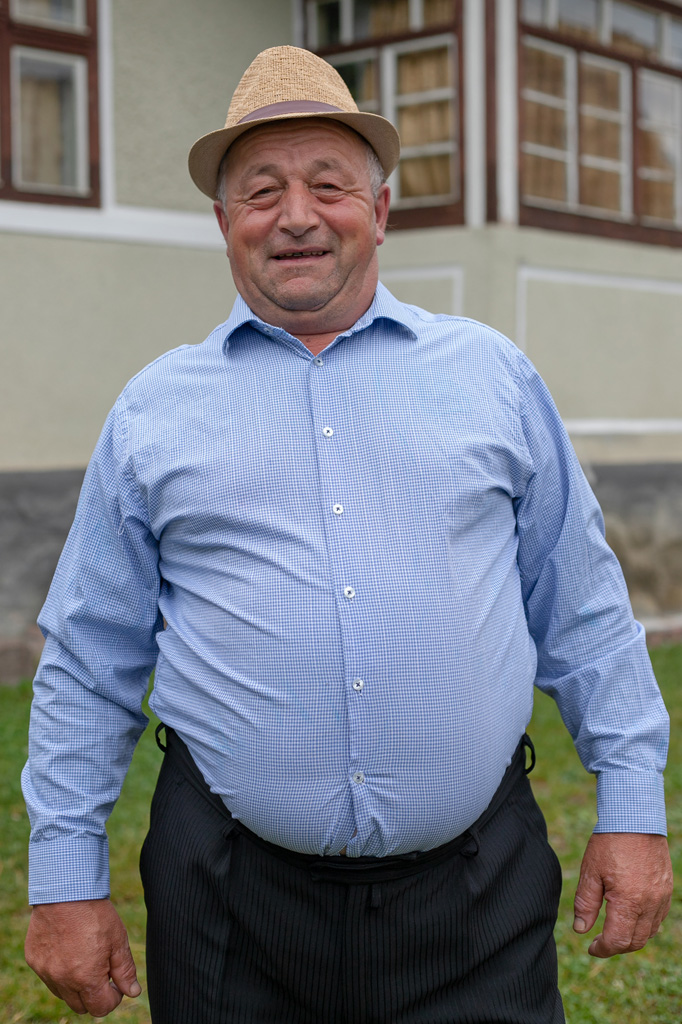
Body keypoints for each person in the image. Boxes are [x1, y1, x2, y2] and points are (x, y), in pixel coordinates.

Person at [23, 45, 672, 1024]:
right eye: (261, 192)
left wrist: (630, 805)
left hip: (477, 898)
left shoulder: (491, 377)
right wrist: (65, 875)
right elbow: (88, 655)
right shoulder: (154, 411)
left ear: (379, 210)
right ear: (224, 223)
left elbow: (580, 600)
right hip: (231, 906)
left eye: (328, 186)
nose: (295, 215)